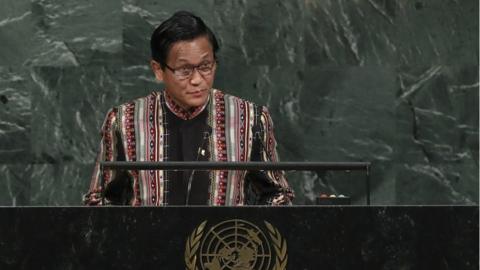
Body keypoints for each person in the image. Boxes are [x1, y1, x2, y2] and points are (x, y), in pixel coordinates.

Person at [83, 11, 293, 206]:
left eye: (205, 66)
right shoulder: (123, 121)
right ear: (158, 70)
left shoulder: (250, 118)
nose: (197, 80)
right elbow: (99, 201)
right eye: (184, 70)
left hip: (220, 243)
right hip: (148, 243)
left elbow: (278, 195)